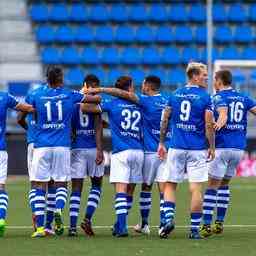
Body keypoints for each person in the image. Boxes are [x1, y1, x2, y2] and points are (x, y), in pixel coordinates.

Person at [85, 75, 171, 234]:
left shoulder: (121, 103)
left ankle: (123, 225)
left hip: (126, 151)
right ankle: (162, 222)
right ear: (130, 88)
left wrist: (87, 96)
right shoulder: (149, 104)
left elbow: (86, 108)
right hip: (146, 151)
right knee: (159, 189)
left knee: (124, 189)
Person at [28, 66, 100, 238]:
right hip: (62, 146)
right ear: (60, 79)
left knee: (39, 185)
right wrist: (88, 91)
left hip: (42, 145)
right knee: (61, 184)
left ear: (47, 79)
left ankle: (39, 228)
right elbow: (95, 99)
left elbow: (26, 110)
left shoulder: (35, 94)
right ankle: (59, 209)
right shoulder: (70, 94)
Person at [157, 62, 215, 239]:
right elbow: (208, 125)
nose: (206, 78)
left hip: (176, 146)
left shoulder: (174, 95)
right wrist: (211, 146)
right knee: (196, 188)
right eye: (204, 75)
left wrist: (161, 142)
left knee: (170, 185)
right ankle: (194, 230)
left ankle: (168, 219)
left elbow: (165, 120)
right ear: (195, 76)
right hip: (197, 149)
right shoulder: (205, 97)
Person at [200, 70, 256, 237]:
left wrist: (219, 123)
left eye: (214, 80)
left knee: (212, 186)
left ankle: (206, 225)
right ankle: (219, 223)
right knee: (224, 185)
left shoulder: (217, 97)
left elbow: (222, 116)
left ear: (219, 81)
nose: (213, 83)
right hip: (238, 148)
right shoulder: (243, 97)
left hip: (222, 146)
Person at [17, 84, 56, 236]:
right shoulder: (52, 97)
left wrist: (30, 131)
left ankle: (36, 215)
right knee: (51, 181)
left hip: (34, 143)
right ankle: (48, 224)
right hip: (51, 142)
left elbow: (20, 119)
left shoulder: (32, 95)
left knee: (35, 182)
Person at [68, 74, 104, 237]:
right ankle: (87, 219)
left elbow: (68, 123)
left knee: (76, 188)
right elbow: (98, 126)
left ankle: (73, 227)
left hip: (76, 148)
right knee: (96, 185)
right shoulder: (96, 101)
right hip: (91, 147)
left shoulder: (74, 99)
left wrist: (73, 135)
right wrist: (99, 149)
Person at [0, 90, 34, 236]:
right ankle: (0, 218)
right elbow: (27, 108)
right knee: (1, 188)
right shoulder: (4, 97)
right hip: (0, 150)